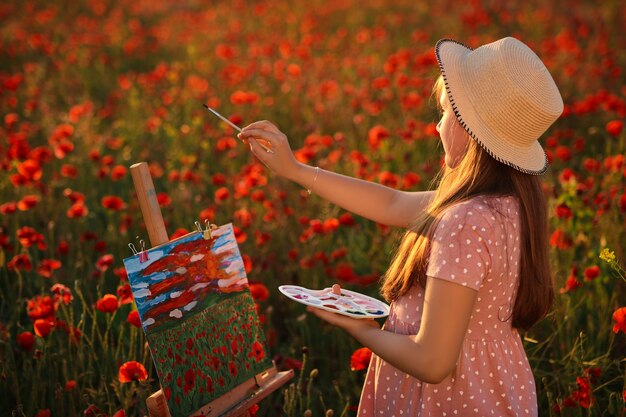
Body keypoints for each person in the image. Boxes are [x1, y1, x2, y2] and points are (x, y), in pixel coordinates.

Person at [237, 37, 563, 416]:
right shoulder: (505, 203)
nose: (437, 126)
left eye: (443, 113)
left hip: (449, 401)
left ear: (467, 126)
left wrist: (361, 328)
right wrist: (295, 169)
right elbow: (391, 202)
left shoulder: (465, 222)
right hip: (490, 388)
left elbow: (432, 361)